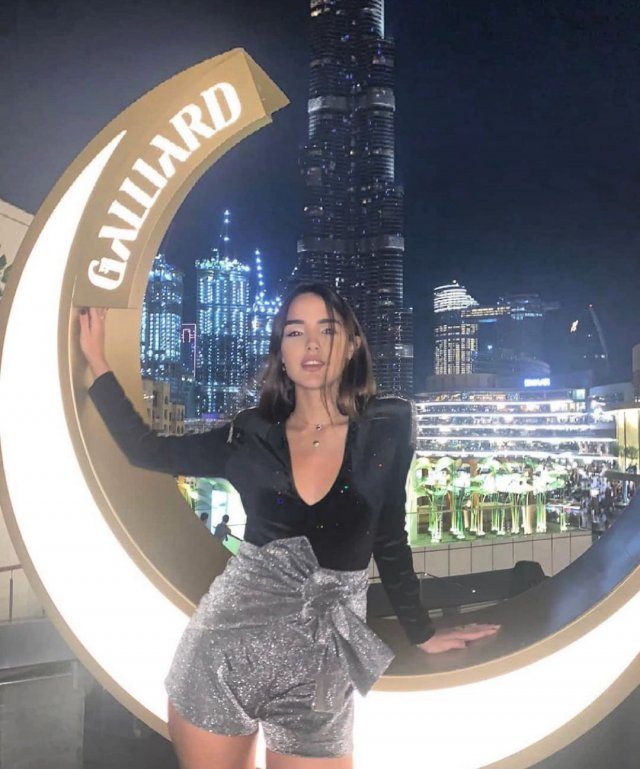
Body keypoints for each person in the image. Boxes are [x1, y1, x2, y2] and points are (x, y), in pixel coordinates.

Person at [79, 283, 499, 769]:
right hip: (222, 654)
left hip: (321, 671)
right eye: (296, 332)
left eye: (328, 330)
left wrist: (421, 632)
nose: (312, 344)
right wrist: (98, 362)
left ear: (352, 344)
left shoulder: (389, 425)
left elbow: (389, 536)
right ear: (281, 350)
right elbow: (145, 450)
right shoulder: (249, 434)